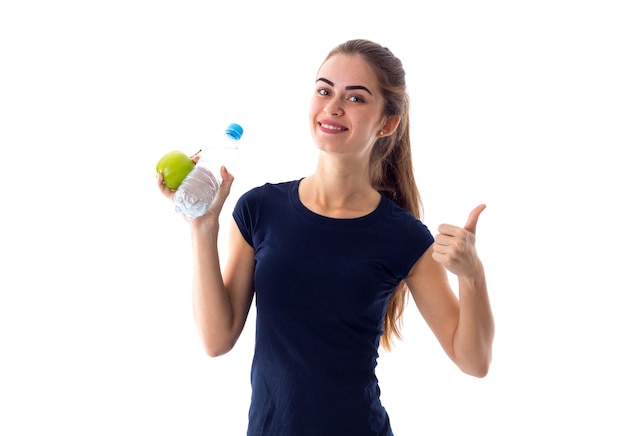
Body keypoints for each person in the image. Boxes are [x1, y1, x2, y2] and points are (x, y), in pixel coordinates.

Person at [157, 38, 494, 436]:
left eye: (355, 98)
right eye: (324, 90)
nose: (333, 106)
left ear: (386, 124)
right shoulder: (259, 209)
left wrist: (472, 274)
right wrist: (203, 226)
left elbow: (473, 361)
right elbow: (217, 339)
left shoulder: (403, 236)